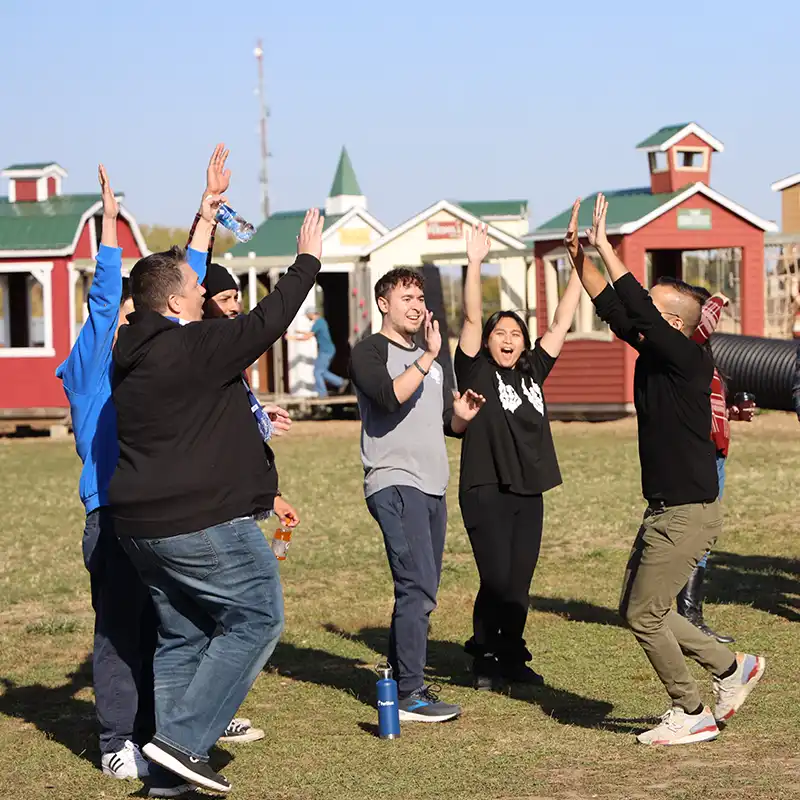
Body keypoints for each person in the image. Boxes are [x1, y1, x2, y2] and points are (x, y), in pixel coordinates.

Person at [110, 190, 325, 794]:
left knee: (185, 633)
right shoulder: (193, 347)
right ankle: (182, 742)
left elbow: (179, 284)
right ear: (178, 301)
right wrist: (306, 262)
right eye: (196, 287)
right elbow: (267, 321)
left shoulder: (136, 348)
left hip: (139, 527)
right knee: (258, 615)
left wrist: (205, 218)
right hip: (198, 520)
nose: (206, 292)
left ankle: (166, 774)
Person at [575, 193, 765, 746]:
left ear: (675, 321)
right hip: (668, 507)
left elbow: (628, 297)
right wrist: (579, 258)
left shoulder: (685, 357)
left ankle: (691, 710)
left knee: (645, 615)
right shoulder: (656, 351)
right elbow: (614, 305)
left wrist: (609, 249)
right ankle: (733, 668)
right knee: (637, 608)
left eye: (654, 306)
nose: (641, 313)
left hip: (686, 511)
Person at [349, 268, 485, 722]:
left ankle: (398, 678)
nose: (416, 305)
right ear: (383, 303)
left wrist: (461, 415)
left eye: (420, 297)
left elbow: (446, 423)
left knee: (421, 586)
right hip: (394, 480)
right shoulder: (369, 351)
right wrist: (428, 357)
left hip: (432, 484)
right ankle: (409, 694)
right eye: (406, 296)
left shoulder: (432, 360)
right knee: (417, 587)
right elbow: (388, 398)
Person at [455, 212, 583, 690]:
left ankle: (510, 656)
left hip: (529, 489)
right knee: (497, 578)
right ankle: (486, 652)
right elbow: (470, 315)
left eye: (515, 335)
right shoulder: (475, 371)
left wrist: (576, 265)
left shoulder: (532, 371)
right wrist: (474, 264)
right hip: (485, 486)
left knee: (520, 584)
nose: (508, 340)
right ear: (487, 342)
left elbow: (563, 320)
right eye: (499, 334)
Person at [675, 289, 755, 644]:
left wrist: (735, 412)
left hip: (716, 455)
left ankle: (689, 614)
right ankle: (685, 615)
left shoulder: (707, 361)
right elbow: (701, 326)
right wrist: (718, 298)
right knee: (690, 534)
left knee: (704, 535)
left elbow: (710, 410)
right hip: (695, 457)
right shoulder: (682, 352)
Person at [288, 308, 347, 397]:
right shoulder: (321, 322)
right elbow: (312, 333)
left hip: (326, 351)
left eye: (307, 316)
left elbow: (307, 337)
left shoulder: (318, 323)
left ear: (311, 314)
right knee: (322, 371)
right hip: (327, 350)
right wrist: (299, 332)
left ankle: (323, 394)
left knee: (317, 372)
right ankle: (340, 382)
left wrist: (292, 338)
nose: (307, 318)